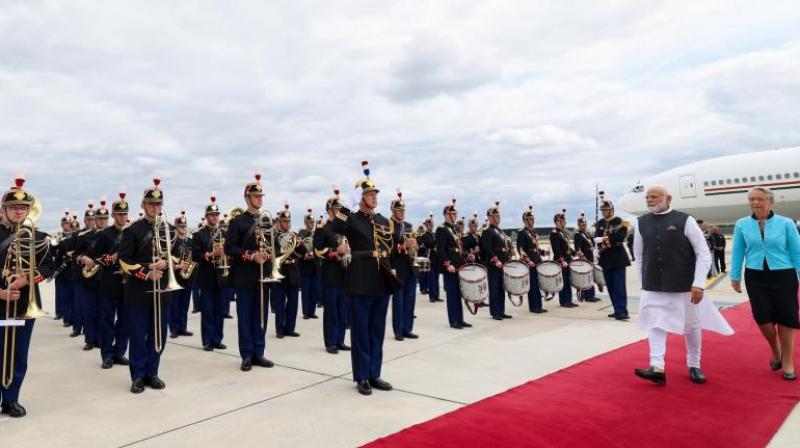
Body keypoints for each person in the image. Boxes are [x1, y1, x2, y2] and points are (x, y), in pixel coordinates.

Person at [633, 186, 733, 386]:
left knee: (691, 325)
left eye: (655, 197)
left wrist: (698, 283)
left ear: (668, 198)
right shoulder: (640, 223)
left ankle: (694, 365)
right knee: (655, 322)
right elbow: (639, 255)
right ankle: (657, 366)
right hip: (653, 285)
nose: (650, 200)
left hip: (684, 285)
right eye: (647, 197)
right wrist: (643, 281)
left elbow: (703, 253)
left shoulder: (685, 220)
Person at [331, 161, 400, 395]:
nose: (374, 197)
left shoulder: (381, 219)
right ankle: (361, 376)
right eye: (369, 194)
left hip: (381, 280)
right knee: (360, 330)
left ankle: (374, 373)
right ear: (360, 197)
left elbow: (389, 247)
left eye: (375, 193)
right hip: (360, 281)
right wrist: (345, 209)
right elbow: (332, 231)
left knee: (377, 330)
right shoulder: (351, 217)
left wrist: (393, 268)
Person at [730, 186, 800, 381]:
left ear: (771, 202)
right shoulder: (742, 224)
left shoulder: (786, 224)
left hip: (784, 275)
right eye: (752, 199)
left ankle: (787, 360)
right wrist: (734, 276)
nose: (755, 203)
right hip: (755, 275)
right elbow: (737, 252)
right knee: (762, 319)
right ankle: (774, 348)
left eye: (760, 199)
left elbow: (797, 252)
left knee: (787, 317)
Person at [0, 176, 54, 418]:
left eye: (24, 207)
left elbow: (50, 265)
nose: (20, 211)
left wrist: (29, 278)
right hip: (0, 303)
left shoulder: (39, 235)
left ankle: (11, 399)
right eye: (14, 207)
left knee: (18, 355)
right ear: (4, 210)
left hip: (23, 305)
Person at [118, 178, 174, 393]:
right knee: (138, 334)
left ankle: (153, 372)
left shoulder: (167, 228)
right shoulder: (132, 229)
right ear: (143, 205)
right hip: (139, 290)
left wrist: (167, 261)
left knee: (159, 335)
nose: (155, 207)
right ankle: (138, 376)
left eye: (158, 204)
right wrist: (146, 271)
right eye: (151, 203)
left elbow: (176, 256)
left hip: (161, 291)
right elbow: (124, 260)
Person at [224, 173, 275, 372]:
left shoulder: (267, 221)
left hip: (263, 276)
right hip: (245, 276)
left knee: (261, 316)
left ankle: (259, 352)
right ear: (247, 198)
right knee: (245, 317)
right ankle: (246, 354)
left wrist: (270, 253)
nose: (259, 199)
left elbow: (273, 245)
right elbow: (229, 248)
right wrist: (251, 255)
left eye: (261, 196)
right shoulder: (238, 222)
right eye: (256, 196)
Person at [90, 191, 130, 369]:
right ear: (113, 215)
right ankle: (107, 354)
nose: (122, 217)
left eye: (125, 214)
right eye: (119, 214)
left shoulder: (131, 232)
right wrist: (110, 258)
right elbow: (95, 257)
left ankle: (119, 352)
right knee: (106, 319)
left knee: (125, 319)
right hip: (108, 281)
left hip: (127, 282)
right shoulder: (105, 234)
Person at [315, 188, 351, 354]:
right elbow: (318, 250)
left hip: (345, 272)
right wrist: (336, 252)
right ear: (329, 211)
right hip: (331, 272)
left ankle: (340, 340)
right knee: (331, 310)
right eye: (336, 210)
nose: (338, 212)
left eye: (340, 209)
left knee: (343, 308)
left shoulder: (344, 228)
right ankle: (330, 342)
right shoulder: (323, 227)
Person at [192, 195, 228, 352]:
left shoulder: (224, 234)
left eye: (216, 215)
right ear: (206, 217)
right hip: (206, 276)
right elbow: (195, 254)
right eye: (212, 215)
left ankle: (217, 339)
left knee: (220, 310)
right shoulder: (199, 234)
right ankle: (207, 340)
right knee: (207, 310)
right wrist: (209, 255)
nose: (214, 217)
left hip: (221, 277)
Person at [436, 199, 472, 329]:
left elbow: (459, 248)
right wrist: (447, 264)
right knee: (452, 295)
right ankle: (453, 320)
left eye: (455, 214)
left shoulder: (454, 229)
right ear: (446, 214)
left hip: (459, 265)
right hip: (450, 267)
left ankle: (460, 319)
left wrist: (467, 256)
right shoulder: (441, 229)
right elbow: (441, 249)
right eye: (452, 214)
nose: (455, 216)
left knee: (459, 293)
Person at [272, 204, 306, 338]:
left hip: (294, 271)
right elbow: (276, 253)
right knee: (280, 303)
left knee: (293, 303)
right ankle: (280, 329)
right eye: (284, 221)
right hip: (281, 270)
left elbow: (303, 253)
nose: (287, 224)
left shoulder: (294, 235)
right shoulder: (275, 236)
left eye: (288, 221)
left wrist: (300, 244)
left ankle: (290, 328)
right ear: (279, 222)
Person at [390, 190, 420, 339]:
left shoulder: (408, 225)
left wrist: (415, 245)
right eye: (399, 210)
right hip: (397, 267)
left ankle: (408, 329)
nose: (402, 213)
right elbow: (388, 246)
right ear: (393, 211)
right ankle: (398, 330)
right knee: (399, 301)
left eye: (403, 210)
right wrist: (402, 246)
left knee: (410, 300)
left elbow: (414, 243)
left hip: (410, 267)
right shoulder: (389, 225)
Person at [594, 199, 631, 319]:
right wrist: (598, 241)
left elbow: (620, 237)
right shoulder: (600, 223)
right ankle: (617, 309)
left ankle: (622, 311)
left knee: (619, 286)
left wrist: (604, 239)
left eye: (605, 210)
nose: (603, 212)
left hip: (618, 258)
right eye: (602, 210)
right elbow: (595, 237)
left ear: (611, 210)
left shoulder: (620, 221)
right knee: (610, 286)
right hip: (605, 258)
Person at [481, 202, 513, 320]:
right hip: (494, 264)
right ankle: (495, 312)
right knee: (494, 288)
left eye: (499, 216)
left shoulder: (499, 231)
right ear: (489, 217)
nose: (498, 218)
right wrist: (495, 260)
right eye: (495, 216)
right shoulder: (487, 230)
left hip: (503, 263)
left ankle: (501, 310)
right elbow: (487, 248)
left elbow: (504, 245)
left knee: (501, 288)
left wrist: (509, 253)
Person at [168, 211, 194, 339]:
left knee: (185, 303)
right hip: (175, 277)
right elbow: (167, 260)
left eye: (184, 226)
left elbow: (194, 258)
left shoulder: (190, 242)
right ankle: (174, 329)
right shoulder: (172, 243)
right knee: (174, 304)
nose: (183, 229)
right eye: (180, 226)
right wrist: (178, 266)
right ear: (176, 227)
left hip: (187, 277)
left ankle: (183, 327)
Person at [516, 206, 546, 313]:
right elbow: (520, 249)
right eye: (529, 219)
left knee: (537, 285)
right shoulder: (522, 233)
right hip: (530, 263)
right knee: (532, 285)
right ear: (524, 220)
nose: (531, 221)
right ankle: (534, 307)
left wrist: (543, 252)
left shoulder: (533, 232)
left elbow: (535, 248)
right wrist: (528, 260)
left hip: (537, 261)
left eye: (532, 219)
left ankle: (539, 305)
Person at [550, 210, 577, 308]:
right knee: (563, 282)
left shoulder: (562, 233)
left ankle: (569, 300)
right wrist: (562, 260)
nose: (565, 223)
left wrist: (574, 252)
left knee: (568, 281)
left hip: (567, 259)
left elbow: (567, 247)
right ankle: (564, 301)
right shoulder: (554, 234)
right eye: (563, 221)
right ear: (557, 222)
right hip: (561, 261)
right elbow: (556, 249)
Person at [573, 212, 600, 303]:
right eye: (582, 224)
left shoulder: (587, 234)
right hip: (584, 259)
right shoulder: (578, 235)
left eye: (585, 224)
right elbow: (577, 248)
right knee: (586, 278)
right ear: (579, 225)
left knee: (590, 277)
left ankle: (591, 295)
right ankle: (587, 296)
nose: (584, 226)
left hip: (590, 258)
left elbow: (592, 244)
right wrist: (581, 255)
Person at [298, 209, 319, 320]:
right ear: (306, 223)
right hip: (305, 265)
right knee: (306, 290)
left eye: (313, 222)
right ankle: (306, 312)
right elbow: (298, 249)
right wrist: (304, 255)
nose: (312, 224)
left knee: (314, 290)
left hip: (314, 265)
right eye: (310, 222)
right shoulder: (301, 233)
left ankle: (312, 311)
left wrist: (315, 255)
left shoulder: (317, 233)